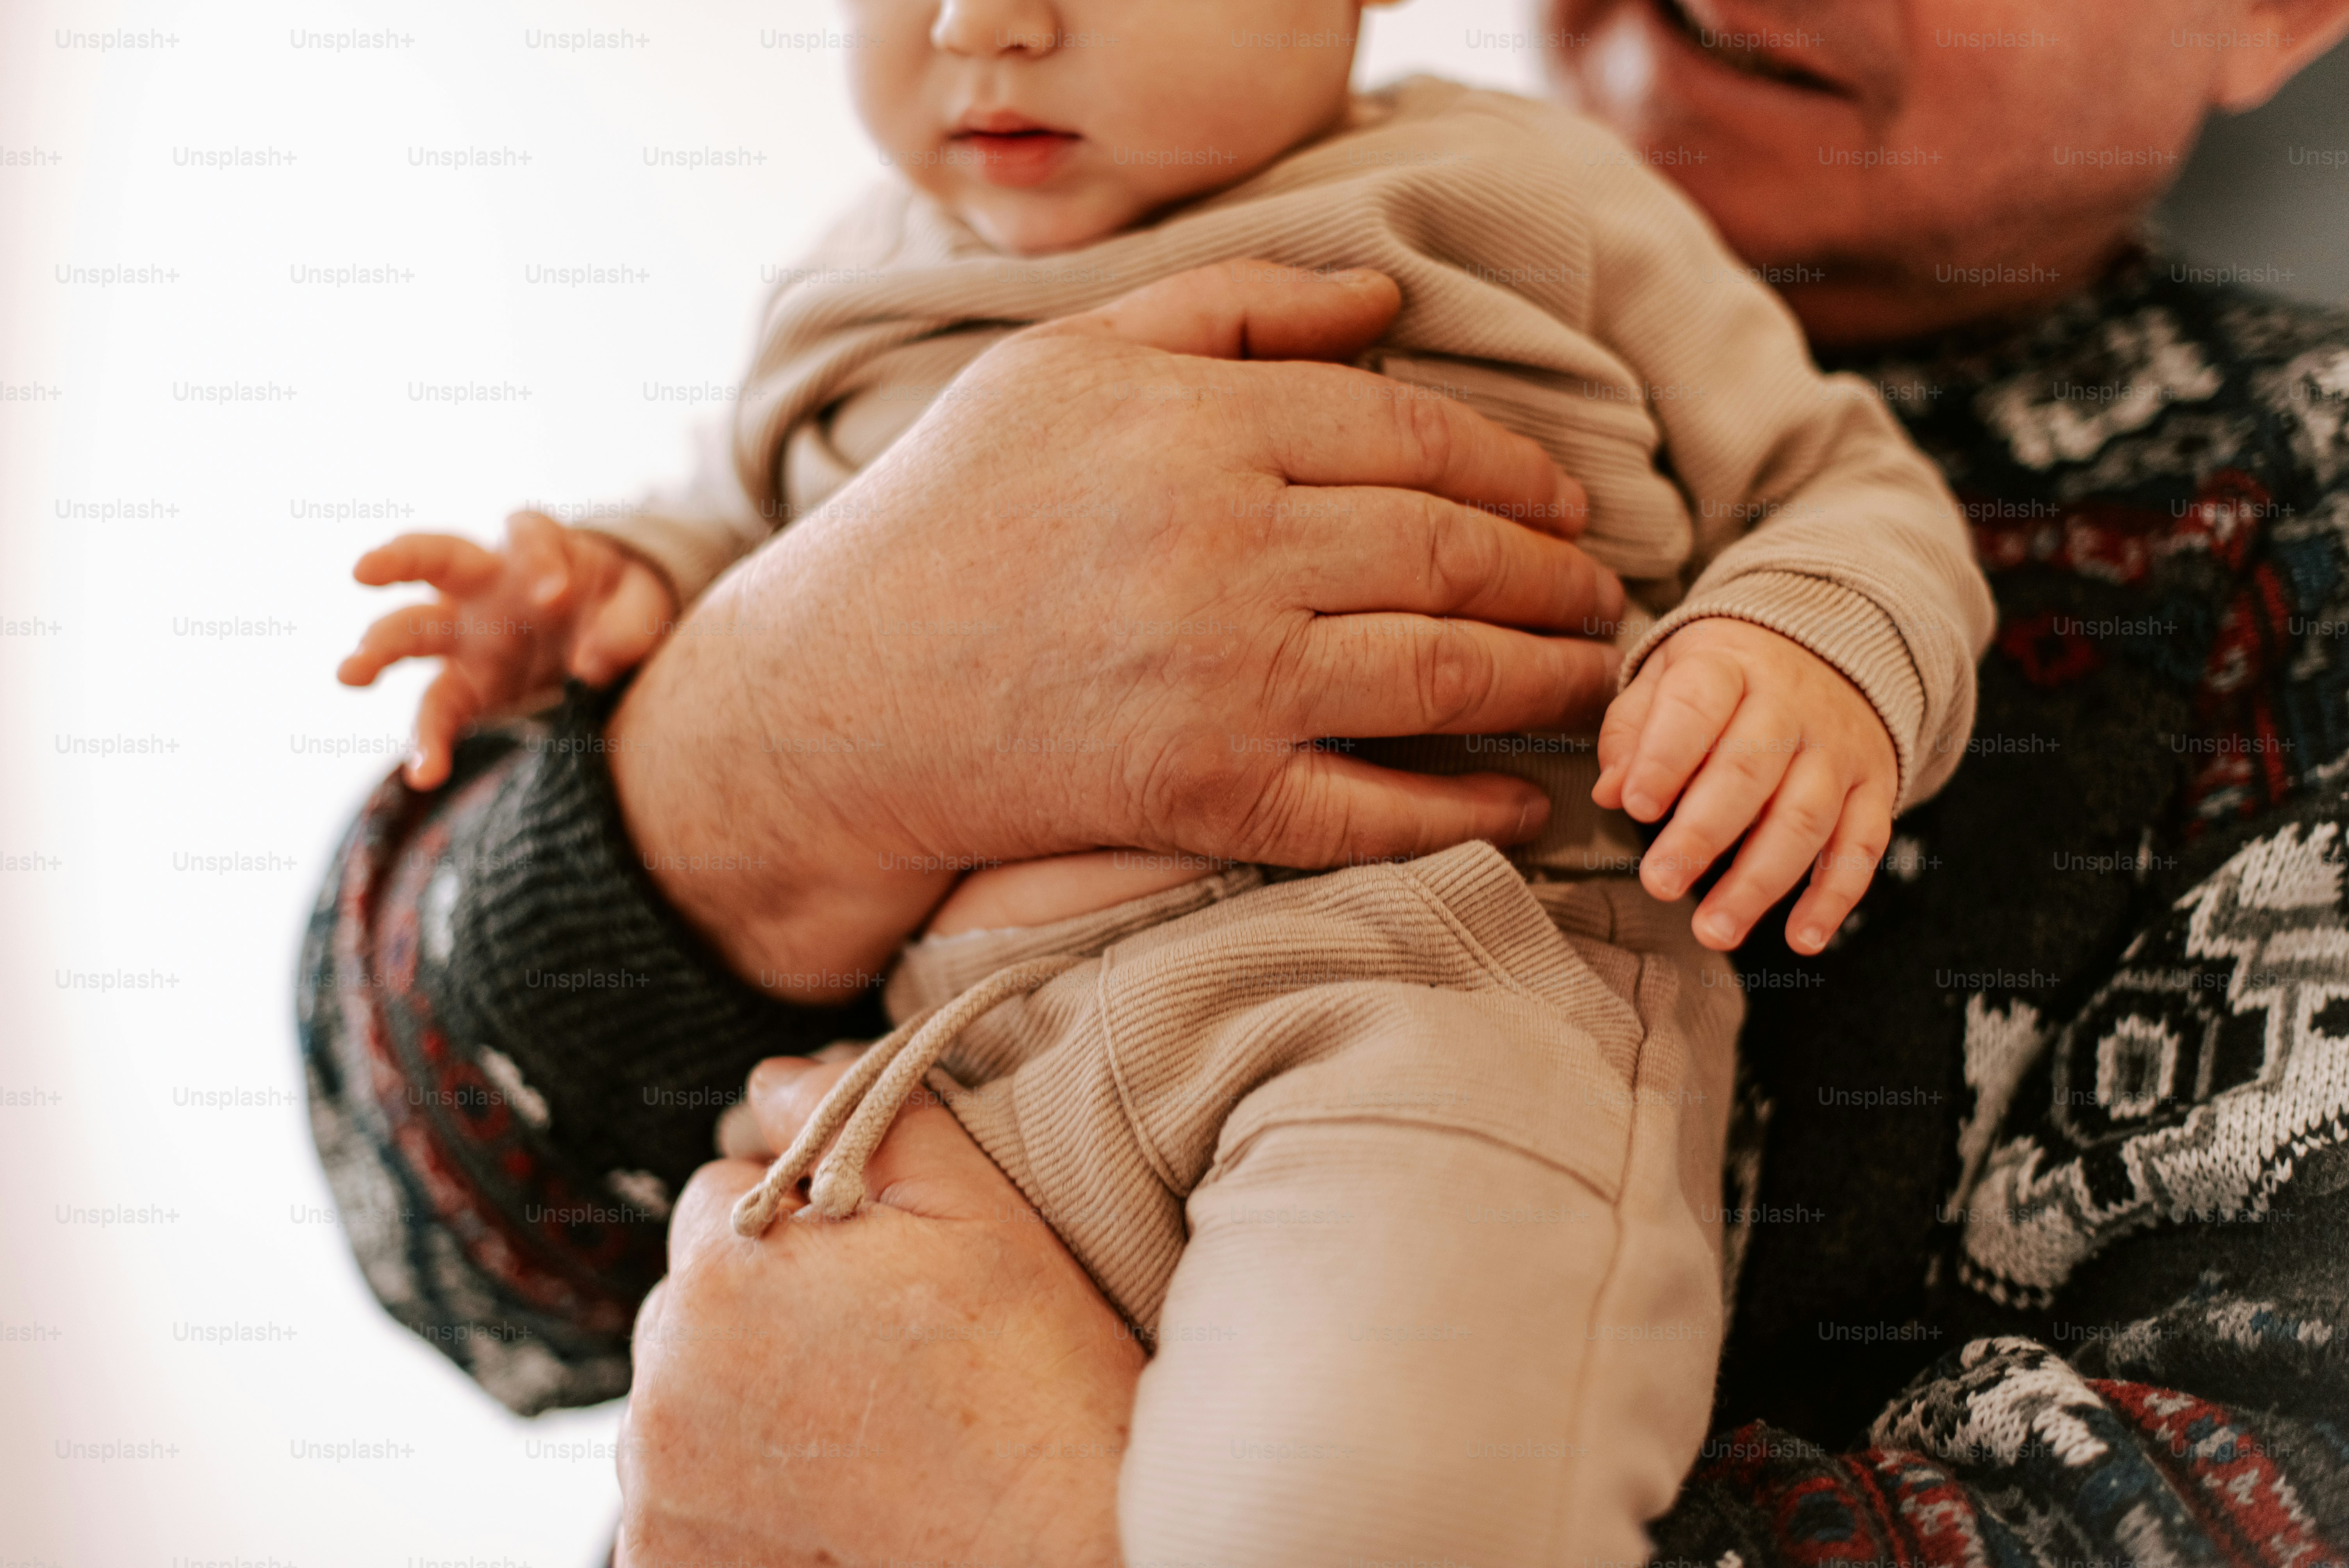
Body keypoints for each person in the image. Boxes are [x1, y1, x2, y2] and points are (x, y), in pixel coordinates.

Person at [296, 0, 2349, 1564]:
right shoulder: (901, 255)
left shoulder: (1529, 216)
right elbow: (461, 1252)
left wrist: (1032, 1503)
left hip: (1404, 1010)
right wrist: (736, 712)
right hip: (958, 1084)